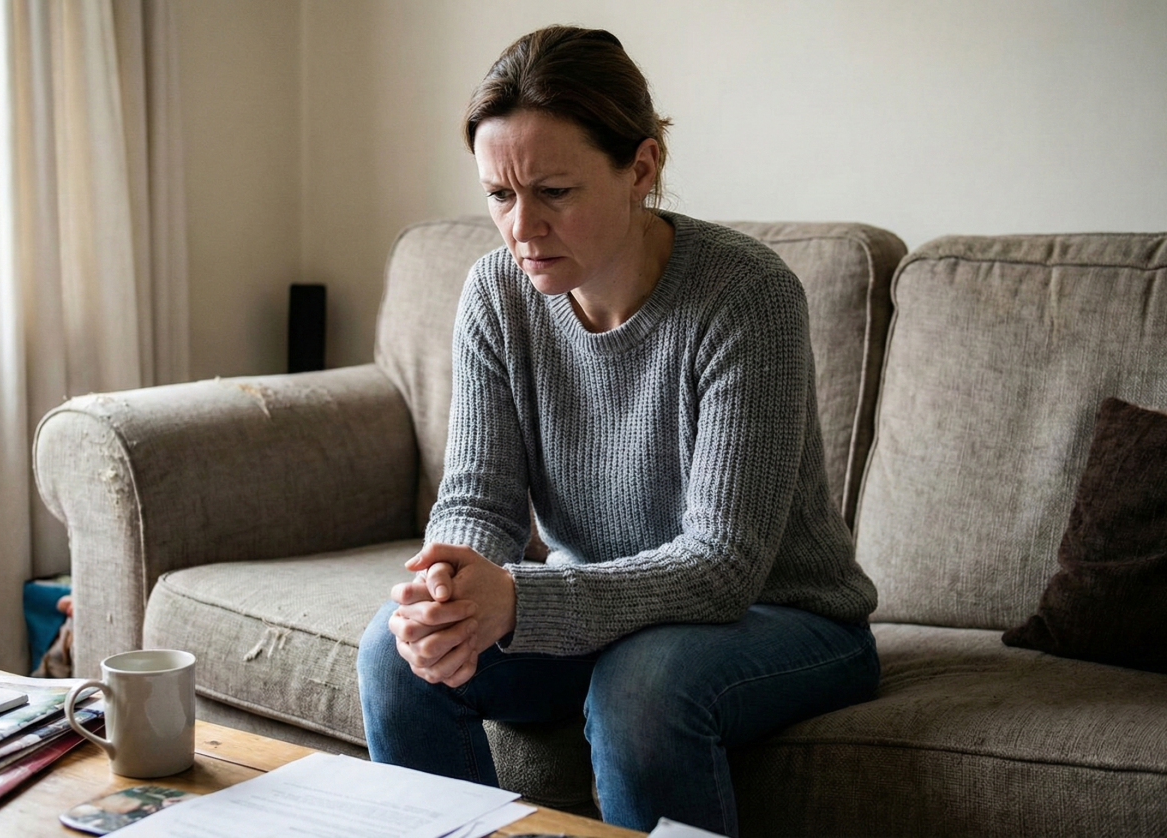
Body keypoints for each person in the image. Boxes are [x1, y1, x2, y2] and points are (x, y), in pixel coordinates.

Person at [356, 25, 880, 837]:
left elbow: (721, 567)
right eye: (500, 195)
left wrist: (519, 599)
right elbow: (476, 500)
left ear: (641, 167)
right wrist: (448, 586)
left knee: (642, 684)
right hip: (602, 609)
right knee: (394, 656)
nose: (522, 228)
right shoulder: (497, 294)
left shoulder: (746, 297)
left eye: (554, 192)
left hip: (784, 619)